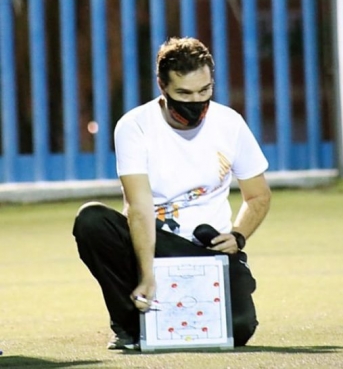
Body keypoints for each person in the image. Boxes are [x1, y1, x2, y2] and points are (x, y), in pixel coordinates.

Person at [72, 37, 271, 350]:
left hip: (208, 252)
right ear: (161, 86)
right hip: (153, 246)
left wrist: (239, 236)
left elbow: (258, 196)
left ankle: (159, 320)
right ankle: (128, 324)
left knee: (240, 329)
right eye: (184, 93)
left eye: (204, 91)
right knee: (92, 221)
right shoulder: (135, 126)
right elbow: (138, 208)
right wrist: (147, 273)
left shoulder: (230, 123)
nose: (195, 102)